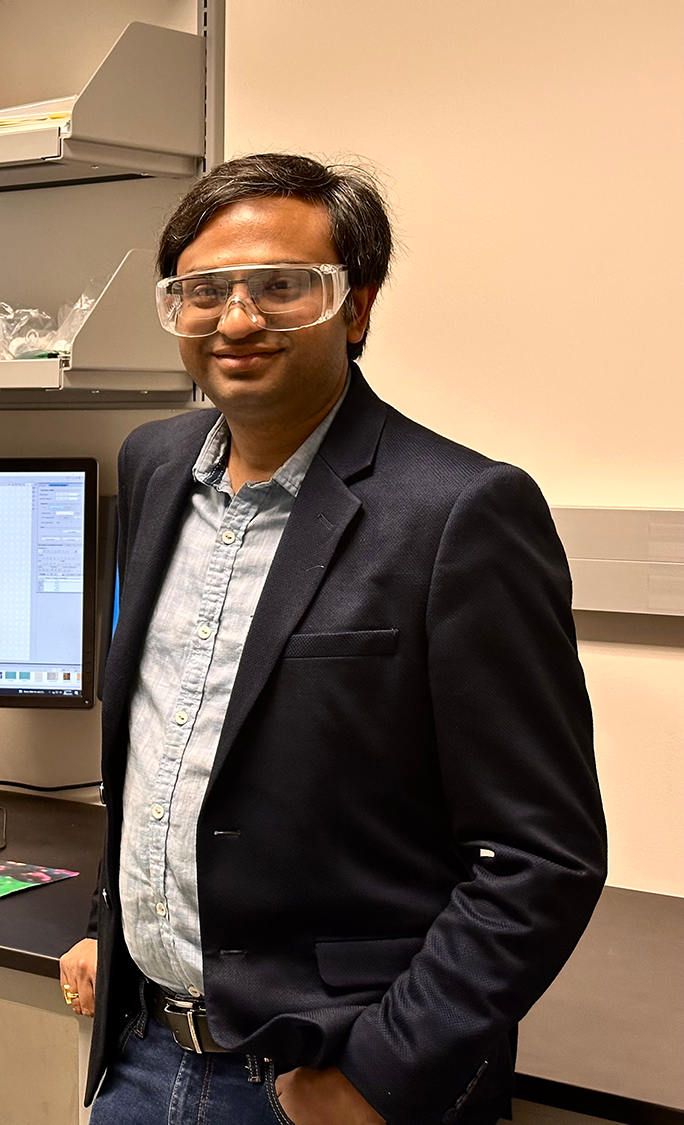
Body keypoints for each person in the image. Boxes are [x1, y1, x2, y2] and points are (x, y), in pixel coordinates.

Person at [58, 155, 605, 1125]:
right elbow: (164, 743)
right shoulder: (152, 464)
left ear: (356, 308)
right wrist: (117, 919)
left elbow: (542, 854)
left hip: (321, 1078)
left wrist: (380, 1079)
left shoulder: (459, 514)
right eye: (204, 291)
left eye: (282, 287)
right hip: (141, 1052)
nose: (237, 319)